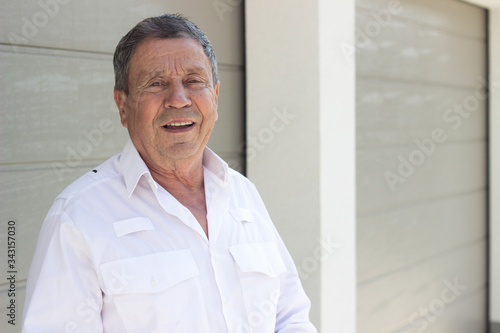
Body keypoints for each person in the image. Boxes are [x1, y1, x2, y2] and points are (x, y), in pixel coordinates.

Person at [21, 14, 316, 333]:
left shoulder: (243, 195)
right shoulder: (78, 217)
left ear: (215, 96)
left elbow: (290, 317)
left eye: (193, 81)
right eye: (156, 83)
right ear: (123, 105)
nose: (178, 99)